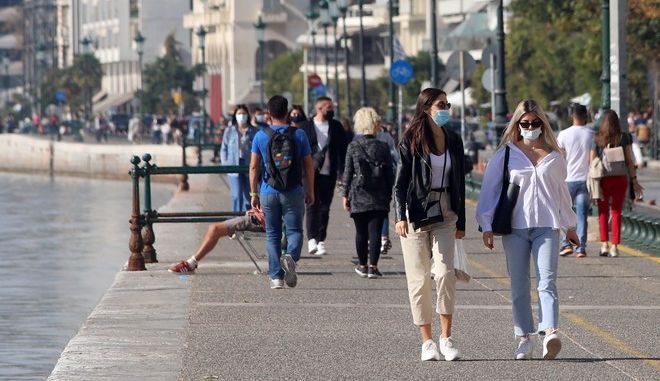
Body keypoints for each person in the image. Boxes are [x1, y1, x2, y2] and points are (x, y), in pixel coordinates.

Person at [476, 99, 579, 361]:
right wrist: (486, 225)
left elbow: (561, 194)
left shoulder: (555, 157)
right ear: (517, 124)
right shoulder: (506, 154)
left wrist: (570, 226)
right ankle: (524, 338)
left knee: (547, 281)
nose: (530, 128)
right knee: (519, 285)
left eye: (536, 123)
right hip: (515, 228)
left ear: (543, 125)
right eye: (525, 124)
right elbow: (490, 191)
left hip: (547, 227)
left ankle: (550, 332)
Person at [393, 88, 466, 362]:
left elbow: (458, 182)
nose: (445, 108)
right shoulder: (410, 141)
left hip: (446, 211)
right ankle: (427, 341)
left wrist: (462, 221)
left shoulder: (453, 139)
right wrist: (399, 215)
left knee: (446, 273)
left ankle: (446, 338)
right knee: (419, 278)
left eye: (447, 104)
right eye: (440, 104)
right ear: (426, 108)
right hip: (416, 213)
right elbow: (400, 184)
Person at [250, 95, 315, 289]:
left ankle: (276, 277)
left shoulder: (261, 136)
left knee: (272, 234)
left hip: (268, 190)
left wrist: (254, 194)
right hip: (293, 190)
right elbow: (309, 166)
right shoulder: (299, 135)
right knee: (294, 230)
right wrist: (310, 190)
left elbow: (254, 168)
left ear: (268, 113)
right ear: (287, 112)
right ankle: (291, 257)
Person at [342, 107, 394, 278]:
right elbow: (389, 173)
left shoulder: (353, 146)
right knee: (376, 231)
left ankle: (362, 265)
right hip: (379, 194)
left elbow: (348, 172)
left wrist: (345, 194)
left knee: (361, 232)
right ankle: (373, 266)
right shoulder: (383, 147)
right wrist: (389, 193)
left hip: (358, 192)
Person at [590, 110, 643, 257]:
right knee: (616, 211)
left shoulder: (597, 138)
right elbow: (629, 160)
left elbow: (592, 161)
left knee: (602, 211)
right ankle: (615, 246)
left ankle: (604, 245)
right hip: (620, 178)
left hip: (603, 179)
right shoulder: (624, 137)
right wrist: (634, 180)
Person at [300, 96, 348, 256]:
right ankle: (311, 239)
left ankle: (321, 240)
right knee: (311, 205)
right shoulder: (306, 126)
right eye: (328, 107)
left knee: (325, 208)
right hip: (310, 173)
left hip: (330, 172)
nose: (331, 110)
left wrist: (342, 172)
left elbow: (343, 150)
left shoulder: (336, 126)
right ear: (319, 109)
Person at [168, 209, 266, 273]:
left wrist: (253, 194)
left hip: (258, 219)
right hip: (260, 217)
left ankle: (191, 264)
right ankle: (192, 263)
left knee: (214, 229)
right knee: (214, 229)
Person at [557, 103, 594, 258]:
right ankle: (581, 248)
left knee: (562, 213)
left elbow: (558, 157)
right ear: (585, 116)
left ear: (572, 115)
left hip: (568, 179)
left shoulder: (564, 134)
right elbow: (593, 159)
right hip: (585, 180)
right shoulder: (591, 134)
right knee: (582, 215)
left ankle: (566, 244)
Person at [221, 105, 258, 212]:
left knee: (249, 195)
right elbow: (224, 149)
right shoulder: (229, 131)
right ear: (235, 116)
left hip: (249, 165)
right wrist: (226, 164)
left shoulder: (254, 131)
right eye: (239, 114)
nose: (241, 116)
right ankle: (236, 217)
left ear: (248, 115)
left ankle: (250, 218)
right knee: (236, 195)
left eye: (244, 114)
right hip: (234, 165)